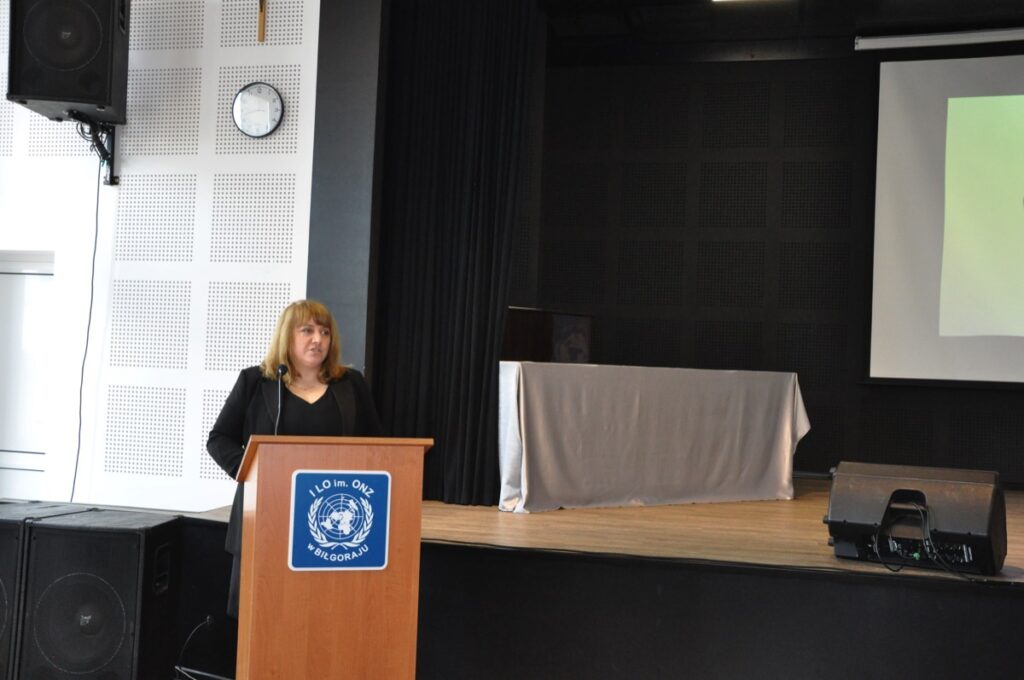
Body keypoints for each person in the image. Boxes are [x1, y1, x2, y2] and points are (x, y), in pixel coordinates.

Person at [207, 299, 383, 617]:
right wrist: (252, 472)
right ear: (287, 336)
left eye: (324, 332)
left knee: (324, 616)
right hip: (265, 517)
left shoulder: (350, 384)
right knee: (264, 616)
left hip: (333, 526)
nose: (318, 339)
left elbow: (376, 446)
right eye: (307, 331)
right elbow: (219, 439)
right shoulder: (256, 382)